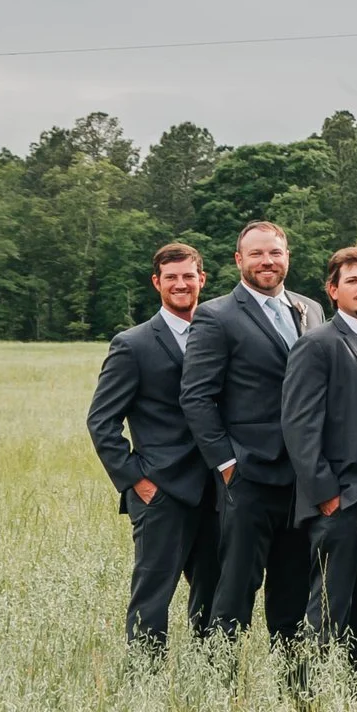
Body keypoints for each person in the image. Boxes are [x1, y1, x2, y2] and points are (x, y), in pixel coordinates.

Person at [183, 220, 325, 641]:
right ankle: (219, 686)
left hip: (303, 480)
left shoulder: (311, 309)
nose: (267, 261)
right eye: (257, 254)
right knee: (235, 591)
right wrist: (227, 464)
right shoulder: (216, 315)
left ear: (287, 257)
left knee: (294, 592)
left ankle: (294, 689)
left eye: (275, 253)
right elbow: (196, 397)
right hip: (248, 478)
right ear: (239, 260)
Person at [87, 241, 219, 652]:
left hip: (218, 489)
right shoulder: (133, 344)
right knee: (153, 594)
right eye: (171, 278)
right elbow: (101, 421)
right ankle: (145, 678)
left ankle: (210, 673)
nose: (181, 284)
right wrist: (137, 481)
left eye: (188, 276)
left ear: (202, 279)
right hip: (161, 490)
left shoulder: (219, 334)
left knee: (214, 592)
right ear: (156, 283)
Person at [280, 245, 357, 652]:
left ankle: (353, 693)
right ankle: (315, 696)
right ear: (333, 290)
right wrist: (326, 494)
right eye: (352, 281)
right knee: (328, 611)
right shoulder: (317, 343)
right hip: (340, 499)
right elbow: (299, 424)